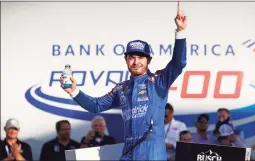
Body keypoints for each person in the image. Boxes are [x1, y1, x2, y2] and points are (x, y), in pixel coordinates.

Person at [60, 2, 187, 160]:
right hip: (128, 153)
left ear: (149, 60)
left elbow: (178, 63)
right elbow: (96, 105)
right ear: (126, 60)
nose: (136, 62)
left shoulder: (158, 81)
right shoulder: (121, 89)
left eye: (140, 57)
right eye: (131, 57)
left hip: (152, 154)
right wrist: (73, 91)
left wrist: (180, 33)